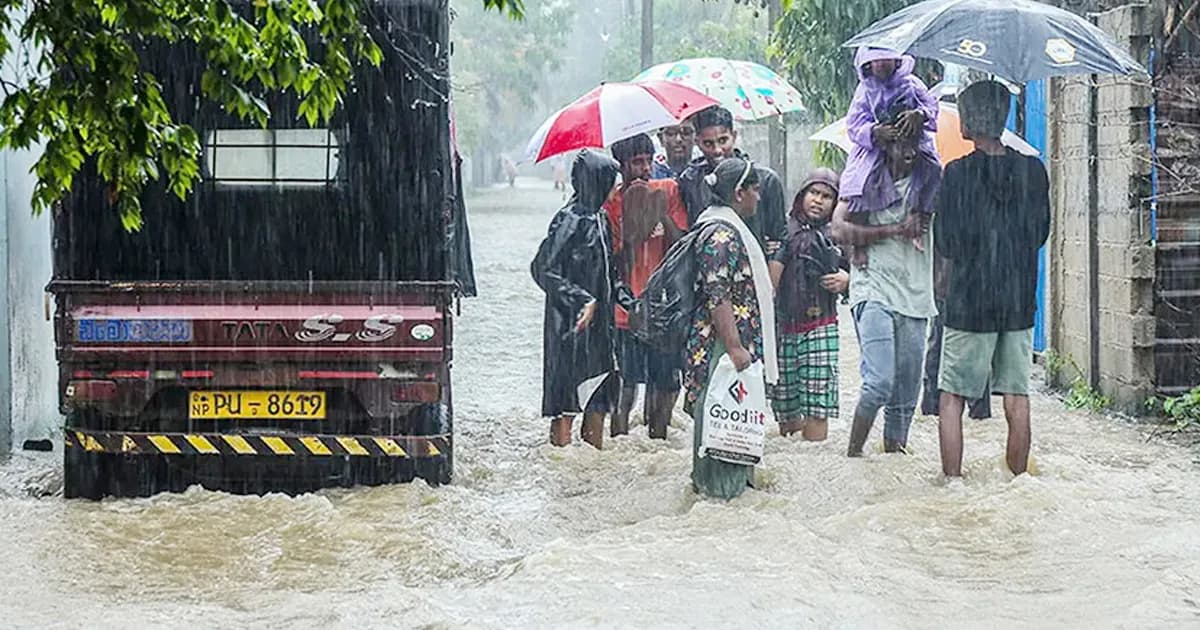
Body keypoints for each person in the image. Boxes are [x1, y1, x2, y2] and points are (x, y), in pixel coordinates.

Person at [934, 81, 1050, 477]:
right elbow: (1040, 234)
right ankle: (1018, 481)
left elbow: (946, 242)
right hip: (1017, 302)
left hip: (970, 301)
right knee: (1017, 397)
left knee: (952, 397)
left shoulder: (957, 174)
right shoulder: (1033, 170)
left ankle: (952, 483)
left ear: (969, 120)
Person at [831, 130, 936, 457]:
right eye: (899, 143)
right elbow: (837, 229)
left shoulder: (931, 183)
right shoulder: (864, 180)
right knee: (878, 383)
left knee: (905, 399)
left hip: (916, 294)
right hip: (872, 288)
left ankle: (892, 468)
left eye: (913, 143)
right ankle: (853, 458)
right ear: (885, 146)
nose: (907, 151)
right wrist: (893, 230)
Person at [684, 158, 778, 500]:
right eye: (754, 190)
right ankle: (719, 498)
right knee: (724, 429)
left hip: (727, 346)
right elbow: (717, 293)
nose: (758, 197)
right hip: (721, 347)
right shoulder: (722, 234)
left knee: (732, 427)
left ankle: (725, 497)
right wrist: (736, 347)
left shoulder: (723, 226)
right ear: (739, 193)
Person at [531, 150, 634, 449]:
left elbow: (609, 272)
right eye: (609, 180)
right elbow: (542, 269)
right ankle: (561, 461)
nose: (615, 186)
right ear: (594, 182)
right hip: (569, 327)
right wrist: (580, 299)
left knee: (598, 399)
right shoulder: (569, 219)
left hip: (601, 329)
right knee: (566, 404)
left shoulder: (600, 217)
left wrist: (630, 301)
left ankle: (592, 466)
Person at [604, 134, 689, 439]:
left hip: (663, 308)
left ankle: (658, 439)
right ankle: (619, 443)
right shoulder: (610, 203)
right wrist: (633, 223)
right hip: (625, 311)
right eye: (636, 162)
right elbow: (611, 260)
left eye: (648, 161)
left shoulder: (668, 191)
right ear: (621, 166)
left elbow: (682, 244)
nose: (644, 168)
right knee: (625, 385)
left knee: (666, 383)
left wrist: (659, 213)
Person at [768, 168, 849, 441]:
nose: (818, 200)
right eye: (814, 193)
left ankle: (814, 454)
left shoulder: (839, 233)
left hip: (821, 325)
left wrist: (846, 279)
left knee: (818, 407)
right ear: (802, 195)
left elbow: (863, 271)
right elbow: (772, 280)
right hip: (784, 328)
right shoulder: (784, 229)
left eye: (827, 196)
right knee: (786, 407)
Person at [840, 47, 942, 263]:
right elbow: (853, 125)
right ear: (867, 65)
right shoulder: (864, 91)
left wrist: (919, 115)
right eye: (876, 61)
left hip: (913, 139)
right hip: (877, 146)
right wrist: (874, 132)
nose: (882, 64)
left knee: (933, 169)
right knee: (860, 181)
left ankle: (920, 215)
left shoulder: (912, 83)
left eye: (887, 59)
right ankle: (859, 244)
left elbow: (931, 105)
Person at [677, 106, 787, 256]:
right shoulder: (690, 181)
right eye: (708, 143)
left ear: (734, 136)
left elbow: (780, 241)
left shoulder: (765, 180)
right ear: (697, 142)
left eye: (723, 140)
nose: (717, 150)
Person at [920, 251, 992, 419]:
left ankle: (935, 409)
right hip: (951, 289)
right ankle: (935, 408)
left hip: (965, 290)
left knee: (943, 348)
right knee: (942, 349)